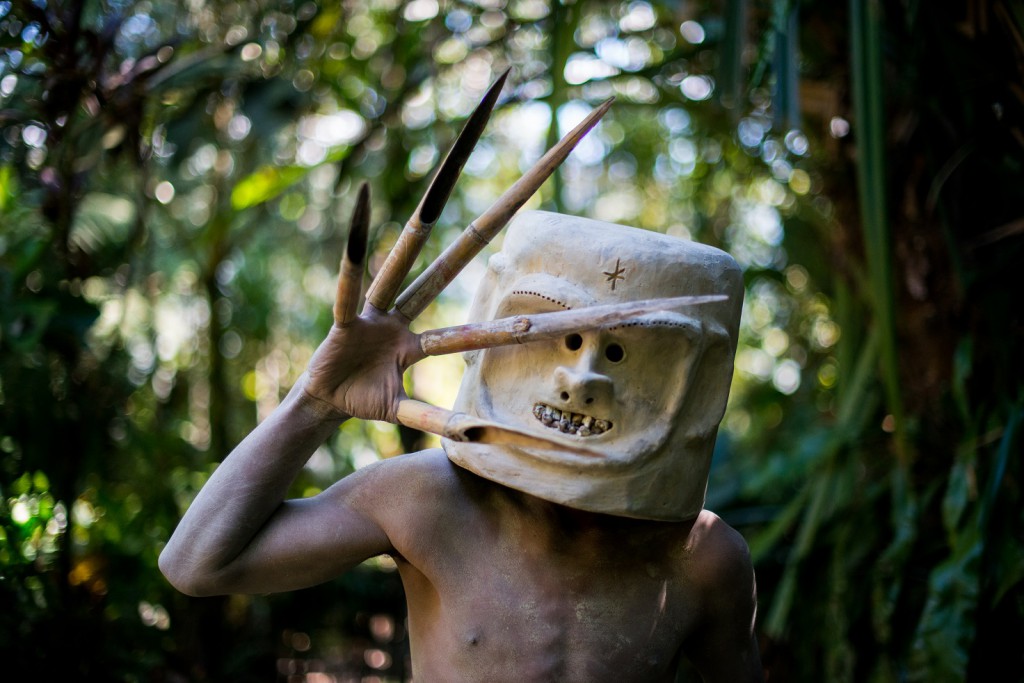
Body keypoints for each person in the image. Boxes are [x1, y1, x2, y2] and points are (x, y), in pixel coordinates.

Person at [159, 86, 762, 682]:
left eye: (623, 353)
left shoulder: (701, 560)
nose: (584, 380)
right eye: (564, 338)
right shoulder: (427, 501)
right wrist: (313, 403)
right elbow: (198, 566)